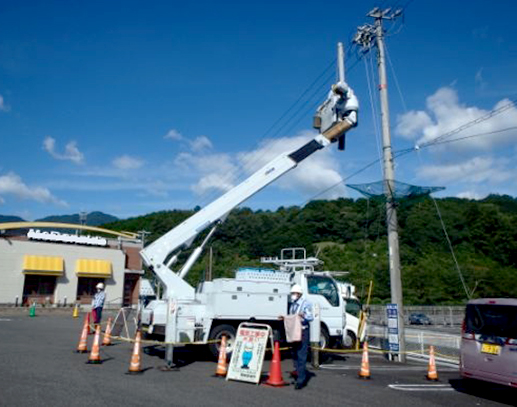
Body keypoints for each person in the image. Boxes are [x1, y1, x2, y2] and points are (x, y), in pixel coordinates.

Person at [288, 284, 313, 390]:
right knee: (294, 353)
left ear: (299, 294)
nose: (293, 295)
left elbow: (311, 317)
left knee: (301, 355)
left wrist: (304, 316)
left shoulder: (305, 303)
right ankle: (298, 372)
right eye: (292, 293)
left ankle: (301, 380)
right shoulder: (293, 304)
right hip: (294, 331)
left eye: (294, 293)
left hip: (303, 331)